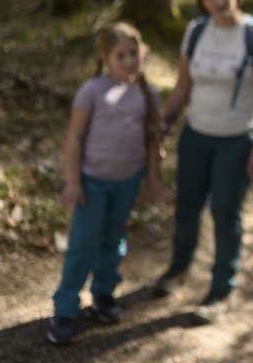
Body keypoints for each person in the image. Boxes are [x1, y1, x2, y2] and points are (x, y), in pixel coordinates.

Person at [154, 0, 253, 323]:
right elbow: (183, 85)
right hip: (196, 135)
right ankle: (178, 269)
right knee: (187, 208)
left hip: (237, 139)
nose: (218, 0)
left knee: (225, 214)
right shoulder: (196, 31)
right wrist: (164, 123)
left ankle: (220, 290)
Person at [48, 23, 169, 345]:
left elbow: (153, 141)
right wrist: (73, 181)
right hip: (92, 183)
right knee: (83, 244)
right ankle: (65, 309)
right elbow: (74, 137)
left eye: (133, 53)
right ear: (105, 58)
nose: (129, 61)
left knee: (113, 241)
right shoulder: (92, 91)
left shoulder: (149, 93)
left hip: (127, 183)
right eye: (121, 55)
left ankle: (103, 293)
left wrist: (153, 181)